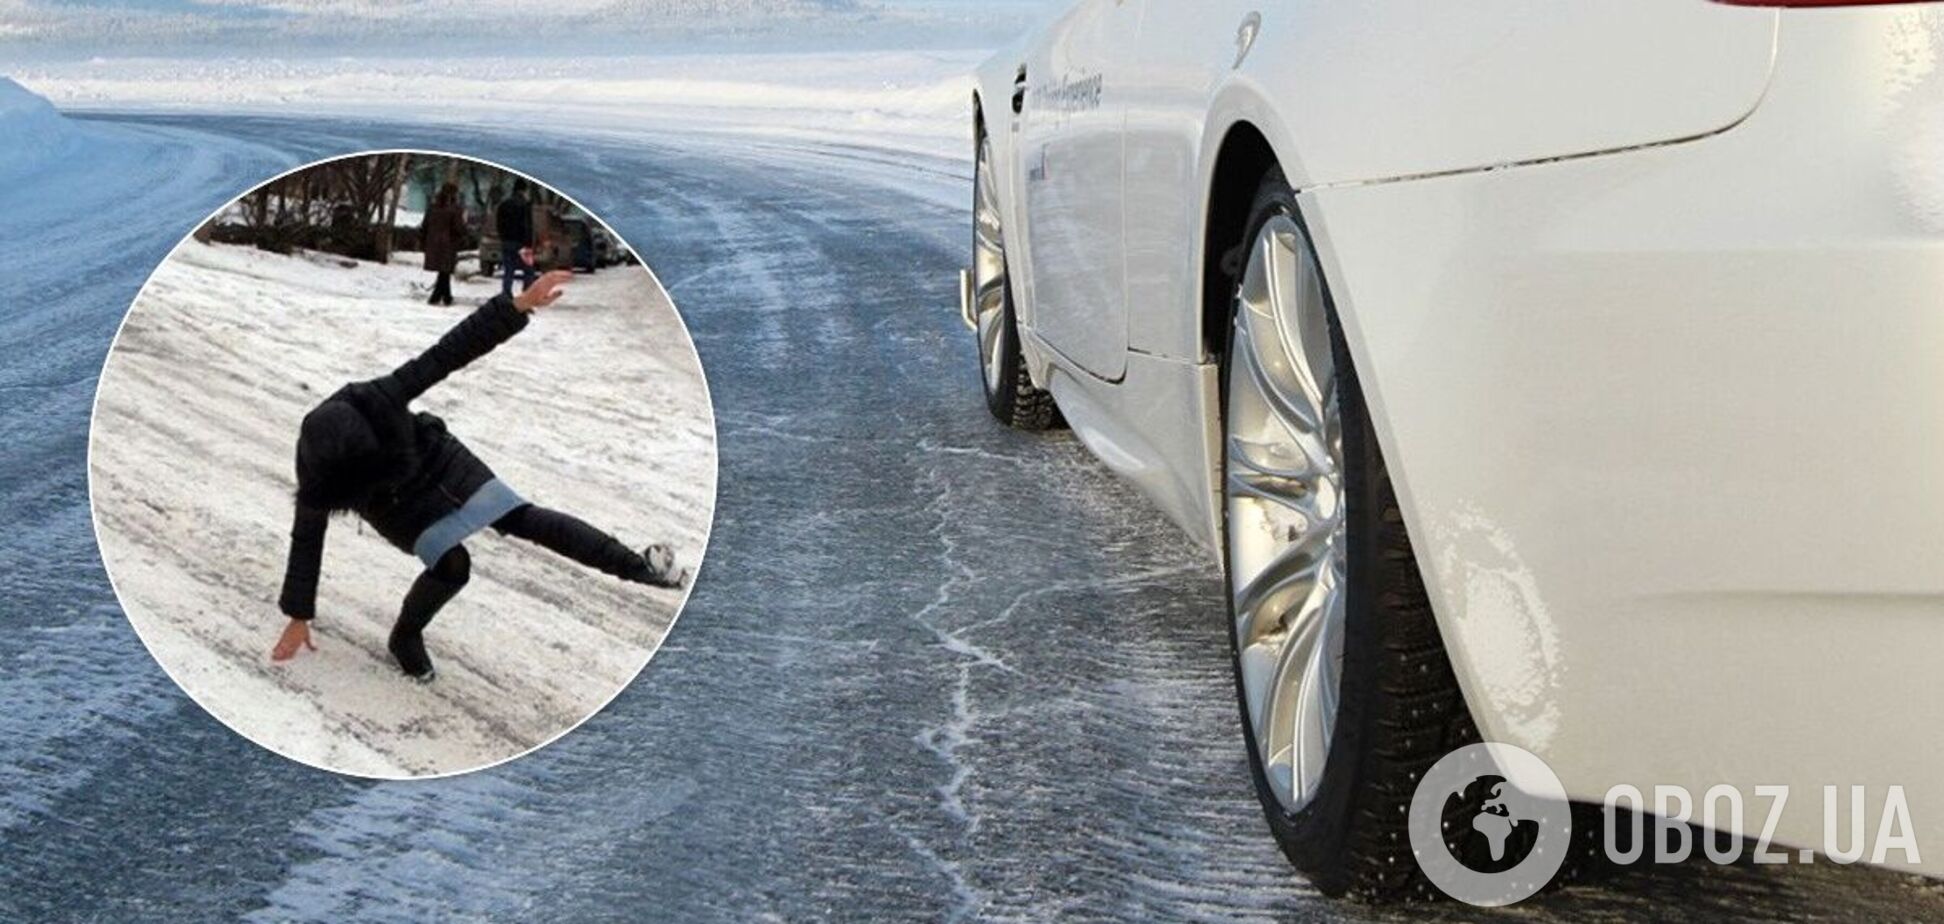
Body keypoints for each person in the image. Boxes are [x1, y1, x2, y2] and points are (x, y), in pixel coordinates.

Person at [269, 270, 688, 683]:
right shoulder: (319, 471)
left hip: (435, 460)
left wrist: (518, 305)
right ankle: (405, 636)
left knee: (520, 516)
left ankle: (637, 566)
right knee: (452, 565)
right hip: (394, 507)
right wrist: (298, 616)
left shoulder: (378, 396)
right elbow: (306, 540)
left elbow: (447, 353)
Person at [420, 182, 466, 306]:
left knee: (443, 271)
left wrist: (424, 240)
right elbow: (458, 228)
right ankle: (440, 297)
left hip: (433, 242)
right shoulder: (455, 209)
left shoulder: (433, 207)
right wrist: (463, 235)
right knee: (445, 270)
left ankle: (443, 296)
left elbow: (424, 225)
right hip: (448, 243)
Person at [495, 181, 537, 296]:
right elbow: (527, 225)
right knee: (528, 270)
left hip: (507, 241)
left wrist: (503, 237)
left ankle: (506, 293)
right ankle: (527, 293)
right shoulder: (525, 205)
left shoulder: (504, 204)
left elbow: (499, 223)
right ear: (523, 190)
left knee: (509, 270)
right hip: (522, 242)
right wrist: (529, 243)